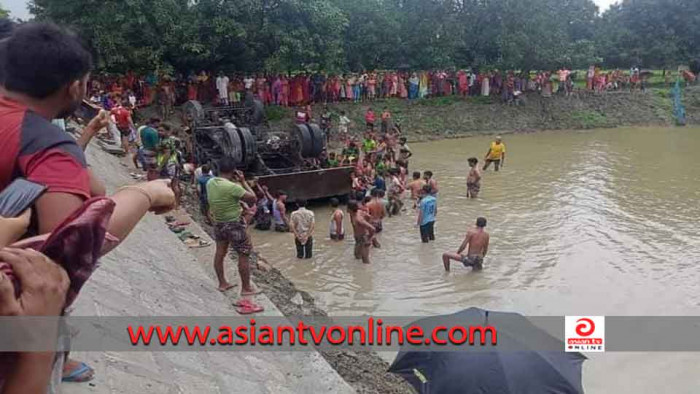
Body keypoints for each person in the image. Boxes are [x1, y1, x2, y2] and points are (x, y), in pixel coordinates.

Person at [206, 158, 259, 297]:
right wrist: (242, 181)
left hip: (218, 223)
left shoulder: (210, 182)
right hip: (234, 224)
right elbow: (253, 198)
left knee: (220, 252)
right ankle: (246, 288)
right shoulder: (233, 187)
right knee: (243, 253)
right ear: (233, 171)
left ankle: (222, 283)